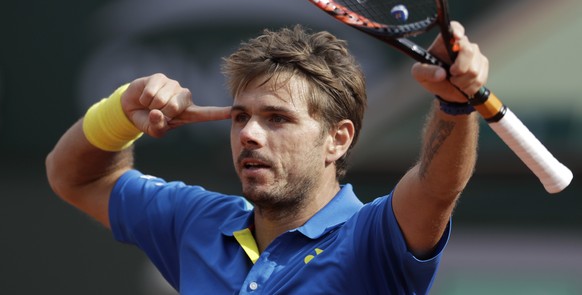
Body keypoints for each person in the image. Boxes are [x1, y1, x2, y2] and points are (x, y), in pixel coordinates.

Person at [46, 22, 487, 294]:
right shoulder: (195, 222)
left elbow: (436, 187)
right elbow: (73, 177)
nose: (249, 134)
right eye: (240, 117)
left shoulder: (373, 239)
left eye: (277, 118)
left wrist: (454, 105)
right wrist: (123, 109)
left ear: (338, 139)